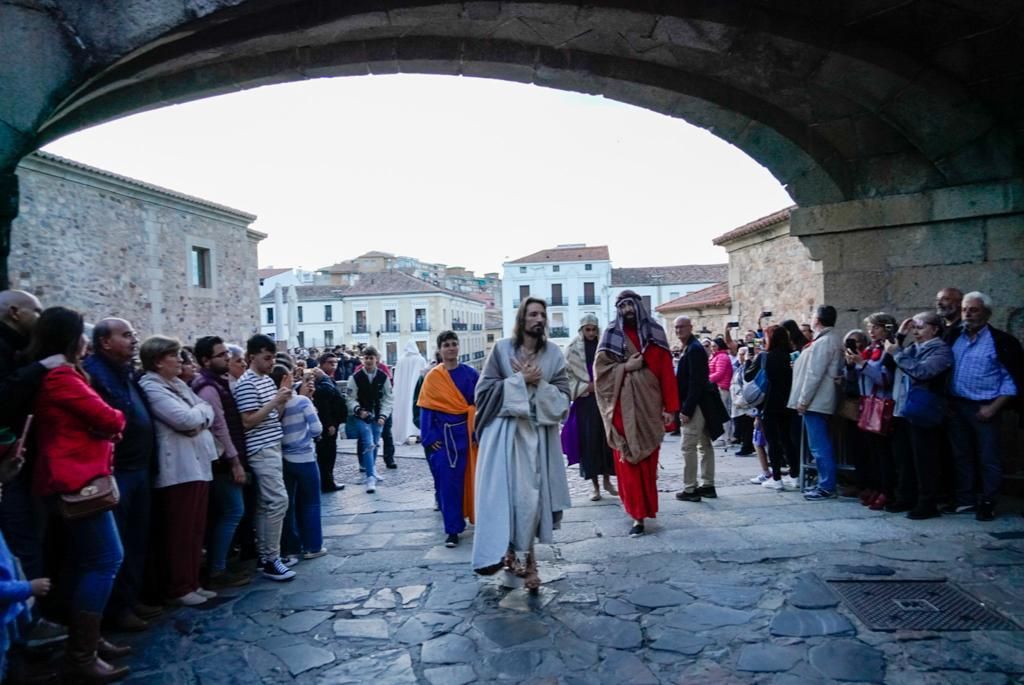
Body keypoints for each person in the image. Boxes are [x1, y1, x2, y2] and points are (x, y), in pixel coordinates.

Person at [29, 306, 130, 682]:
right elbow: (111, 418)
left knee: (89, 563)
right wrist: (109, 427)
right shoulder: (61, 378)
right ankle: (81, 653)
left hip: (82, 477)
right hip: (77, 481)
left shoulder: (65, 375)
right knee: (106, 560)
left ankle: (89, 639)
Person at [472, 298, 571, 591]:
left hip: (539, 437)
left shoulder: (554, 355)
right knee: (509, 499)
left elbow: (564, 398)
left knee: (533, 500)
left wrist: (537, 384)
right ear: (522, 318)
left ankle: (528, 561)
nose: (538, 319)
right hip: (505, 437)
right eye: (532, 314)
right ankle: (513, 556)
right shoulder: (502, 350)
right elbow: (484, 391)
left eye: (542, 314)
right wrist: (518, 380)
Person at [84, 318, 162, 632]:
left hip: (139, 467)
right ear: (104, 341)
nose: (133, 340)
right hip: (118, 471)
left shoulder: (125, 372)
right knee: (116, 544)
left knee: (137, 538)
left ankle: (130, 600)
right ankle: (115, 610)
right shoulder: (96, 374)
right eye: (126, 335)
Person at [137, 337, 217, 607]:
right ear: (159, 360)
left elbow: (206, 411)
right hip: (179, 468)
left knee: (195, 529)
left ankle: (192, 581)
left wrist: (198, 419)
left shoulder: (177, 384)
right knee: (180, 531)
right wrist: (197, 418)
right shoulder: (151, 387)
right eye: (175, 355)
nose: (182, 361)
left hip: (196, 464)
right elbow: (184, 419)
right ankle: (179, 586)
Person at [593, 293, 677, 537]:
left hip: (650, 407)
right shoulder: (610, 336)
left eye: (630, 304)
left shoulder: (656, 334)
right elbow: (600, 374)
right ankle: (636, 515)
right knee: (628, 460)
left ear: (638, 306)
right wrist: (625, 367)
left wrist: (670, 408)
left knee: (648, 461)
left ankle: (648, 508)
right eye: (622, 306)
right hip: (621, 408)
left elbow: (666, 373)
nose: (627, 309)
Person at [945, 291, 1022, 521]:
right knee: (961, 455)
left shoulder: (1001, 342)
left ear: (987, 313)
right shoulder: (953, 337)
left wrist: (993, 408)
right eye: (965, 309)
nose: (968, 314)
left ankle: (988, 500)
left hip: (985, 408)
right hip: (957, 406)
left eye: (974, 309)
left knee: (988, 457)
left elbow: (1011, 379)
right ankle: (966, 499)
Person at [233, 334, 296, 582]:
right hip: (260, 449)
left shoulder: (265, 381)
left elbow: (272, 416)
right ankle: (272, 558)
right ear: (252, 357)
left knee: (265, 504)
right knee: (278, 501)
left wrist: (282, 397)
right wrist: (275, 401)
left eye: (272, 358)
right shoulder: (247, 383)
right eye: (266, 358)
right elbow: (247, 422)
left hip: (272, 445)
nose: (271, 363)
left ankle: (265, 555)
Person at [191, 336, 250, 589]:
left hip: (224, 459)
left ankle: (219, 565)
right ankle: (217, 569)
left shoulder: (218, 383)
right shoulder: (208, 388)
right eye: (221, 355)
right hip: (222, 462)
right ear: (206, 360)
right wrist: (235, 461)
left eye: (227, 353)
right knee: (232, 511)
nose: (227, 358)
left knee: (228, 512)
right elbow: (219, 426)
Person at [887, 312, 953, 520]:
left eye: (921, 327)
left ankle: (927, 502)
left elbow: (922, 372)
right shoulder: (913, 348)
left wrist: (898, 353)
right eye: (913, 327)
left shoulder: (941, 350)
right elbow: (891, 361)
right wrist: (899, 336)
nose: (915, 331)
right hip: (905, 407)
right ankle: (906, 496)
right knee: (905, 457)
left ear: (935, 329)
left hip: (924, 410)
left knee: (924, 458)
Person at [417, 331, 479, 548]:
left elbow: (480, 404)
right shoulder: (433, 377)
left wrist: (477, 430)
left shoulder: (471, 374)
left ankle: (477, 519)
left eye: (454, 344)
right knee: (447, 485)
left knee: (473, 480)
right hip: (443, 438)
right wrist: (429, 437)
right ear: (440, 349)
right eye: (447, 345)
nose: (451, 348)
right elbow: (426, 409)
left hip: (469, 436)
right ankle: (452, 530)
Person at [789, 305, 845, 500]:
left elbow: (814, 374)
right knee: (819, 444)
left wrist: (803, 400)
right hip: (819, 399)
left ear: (818, 320)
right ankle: (825, 482)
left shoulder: (824, 342)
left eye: (813, 316)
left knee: (819, 445)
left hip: (817, 400)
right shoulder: (828, 339)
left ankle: (826, 485)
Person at [563, 315, 617, 502]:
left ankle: (608, 481)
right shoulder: (571, 350)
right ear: (582, 330)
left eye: (594, 329)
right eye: (588, 329)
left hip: (605, 400)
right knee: (589, 443)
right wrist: (585, 388)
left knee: (607, 441)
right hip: (585, 403)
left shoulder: (604, 348)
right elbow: (566, 378)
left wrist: (603, 385)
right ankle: (594, 486)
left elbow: (612, 369)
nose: (591, 333)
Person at [274, 368, 325, 560]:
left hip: (285, 459)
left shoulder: (275, 405)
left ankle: (293, 547)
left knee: (290, 505)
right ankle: (313, 546)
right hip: (304, 457)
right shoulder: (302, 402)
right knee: (311, 503)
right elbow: (316, 428)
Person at [673, 316, 724, 502]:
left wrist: (686, 409)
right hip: (700, 403)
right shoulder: (692, 347)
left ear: (690, 327)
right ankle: (708, 485)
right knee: (704, 445)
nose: (678, 330)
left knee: (688, 446)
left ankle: (690, 489)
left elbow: (696, 382)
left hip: (695, 405)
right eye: (676, 327)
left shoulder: (694, 349)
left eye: (682, 327)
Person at [746, 326, 797, 490]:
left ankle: (776, 478)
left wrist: (749, 359)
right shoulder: (790, 356)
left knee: (772, 441)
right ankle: (795, 475)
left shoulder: (764, 357)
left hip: (769, 403)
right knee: (787, 439)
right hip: (787, 402)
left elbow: (748, 375)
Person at [346, 346, 393, 494]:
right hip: (362, 415)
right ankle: (370, 477)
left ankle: (371, 470)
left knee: (375, 443)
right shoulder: (355, 377)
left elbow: (388, 398)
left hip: (378, 415)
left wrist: (383, 415)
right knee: (368, 442)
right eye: (366, 357)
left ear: (376, 360)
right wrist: (358, 410)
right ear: (362, 359)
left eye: (371, 357)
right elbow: (350, 398)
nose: (368, 360)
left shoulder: (383, 377)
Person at [312, 353, 346, 493]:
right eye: (330, 362)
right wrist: (329, 423)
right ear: (322, 364)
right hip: (327, 423)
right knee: (327, 453)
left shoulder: (326, 379)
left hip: (333, 421)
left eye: (335, 362)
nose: (334, 365)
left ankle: (328, 479)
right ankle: (327, 481)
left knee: (329, 452)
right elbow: (323, 402)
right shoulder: (320, 380)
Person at [392, 342, 427, 446]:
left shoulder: (400, 360)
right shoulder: (420, 360)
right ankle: (416, 434)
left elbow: (396, 378)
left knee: (403, 411)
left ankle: (404, 434)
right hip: (415, 390)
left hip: (403, 391)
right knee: (414, 411)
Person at [708, 338, 734, 445]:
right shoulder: (716, 356)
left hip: (721, 388)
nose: (712, 348)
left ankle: (725, 437)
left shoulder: (722, 357)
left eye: (714, 346)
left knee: (723, 413)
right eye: (711, 346)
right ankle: (724, 437)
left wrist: (706, 379)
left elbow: (720, 373)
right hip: (717, 387)